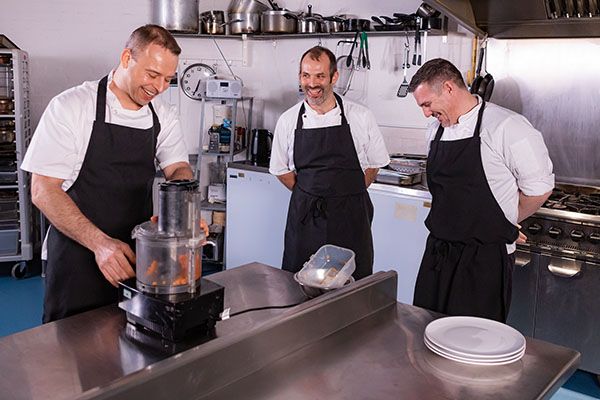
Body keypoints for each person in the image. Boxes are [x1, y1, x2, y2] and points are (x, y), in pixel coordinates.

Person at [22, 25, 195, 323]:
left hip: (138, 260)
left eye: (168, 79)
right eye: (152, 75)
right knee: (71, 354)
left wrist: (185, 212)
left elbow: (178, 168)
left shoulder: (162, 115)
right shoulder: (72, 106)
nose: (160, 87)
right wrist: (100, 245)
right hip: (77, 259)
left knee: (133, 346)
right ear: (127, 57)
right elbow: (42, 190)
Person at [408, 58, 554, 322]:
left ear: (450, 89)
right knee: (426, 328)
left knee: (474, 342)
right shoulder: (434, 132)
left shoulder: (508, 127)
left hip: (484, 259)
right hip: (438, 253)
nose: (426, 114)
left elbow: (539, 189)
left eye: (427, 104)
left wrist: (504, 221)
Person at [269, 46, 390, 280]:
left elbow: (373, 165)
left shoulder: (360, 116)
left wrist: (346, 192)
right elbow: (281, 171)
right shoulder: (288, 120)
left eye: (319, 76)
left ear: (334, 77)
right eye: (306, 75)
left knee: (352, 284)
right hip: (306, 216)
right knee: (300, 285)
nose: (311, 83)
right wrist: (312, 191)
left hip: (351, 216)